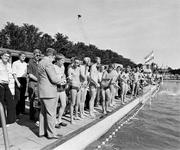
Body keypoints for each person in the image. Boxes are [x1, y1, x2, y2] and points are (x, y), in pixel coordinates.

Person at [38, 48, 65, 139]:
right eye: (53, 58)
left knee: (43, 112)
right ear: (50, 56)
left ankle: (42, 132)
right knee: (51, 113)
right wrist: (62, 81)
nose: (53, 60)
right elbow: (54, 79)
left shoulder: (41, 62)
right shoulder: (48, 63)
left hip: (42, 90)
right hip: (49, 91)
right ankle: (51, 133)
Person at [0, 50, 16, 125]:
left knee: (11, 101)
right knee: (1, 103)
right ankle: (1, 123)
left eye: (8, 56)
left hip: (6, 84)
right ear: (1, 56)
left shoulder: (9, 64)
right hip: (0, 84)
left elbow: (12, 73)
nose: (7, 57)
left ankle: (10, 120)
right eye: (5, 56)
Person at [27, 49, 41, 121]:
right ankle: (32, 116)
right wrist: (38, 80)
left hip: (39, 83)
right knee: (32, 100)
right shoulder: (31, 62)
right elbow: (30, 75)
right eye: (36, 55)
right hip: (33, 83)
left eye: (39, 55)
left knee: (38, 100)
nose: (38, 56)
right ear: (34, 55)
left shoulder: (40, 63)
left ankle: (37, 115)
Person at [54, 54, 67, 128]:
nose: (63, 62)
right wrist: (60, 80)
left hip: (62, 87)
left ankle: (59, 119)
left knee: (63, 104)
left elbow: (63, 75)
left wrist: (64, 80)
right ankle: (54, 121)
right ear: (57, 60)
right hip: (56, 88)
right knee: (55, 105)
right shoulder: (53, 67)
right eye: (62, 60)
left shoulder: (62, 67)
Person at [12, 52, 27, 117]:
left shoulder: (25, 64)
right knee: (17, 97)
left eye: (24, 56)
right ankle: (16, 112)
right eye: (22, 56)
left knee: (23, 96)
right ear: (19, 56)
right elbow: (14, 73)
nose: (23, 57)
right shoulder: (15, 63)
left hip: (24, 79)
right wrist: (17, 82)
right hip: (18, 79)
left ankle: (22, 110)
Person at [67, 57, 82, 124]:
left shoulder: (79, 69)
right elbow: (69, 77)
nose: (76, 64)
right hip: (73, 86)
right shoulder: (70, 69)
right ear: (73, 62)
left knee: (77, 102)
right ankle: (71, 119)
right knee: (72, 103)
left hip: (79, 86)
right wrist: (69, 78)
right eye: (75, 62)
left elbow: (82, 77)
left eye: (77, 63)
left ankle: (76, 115)